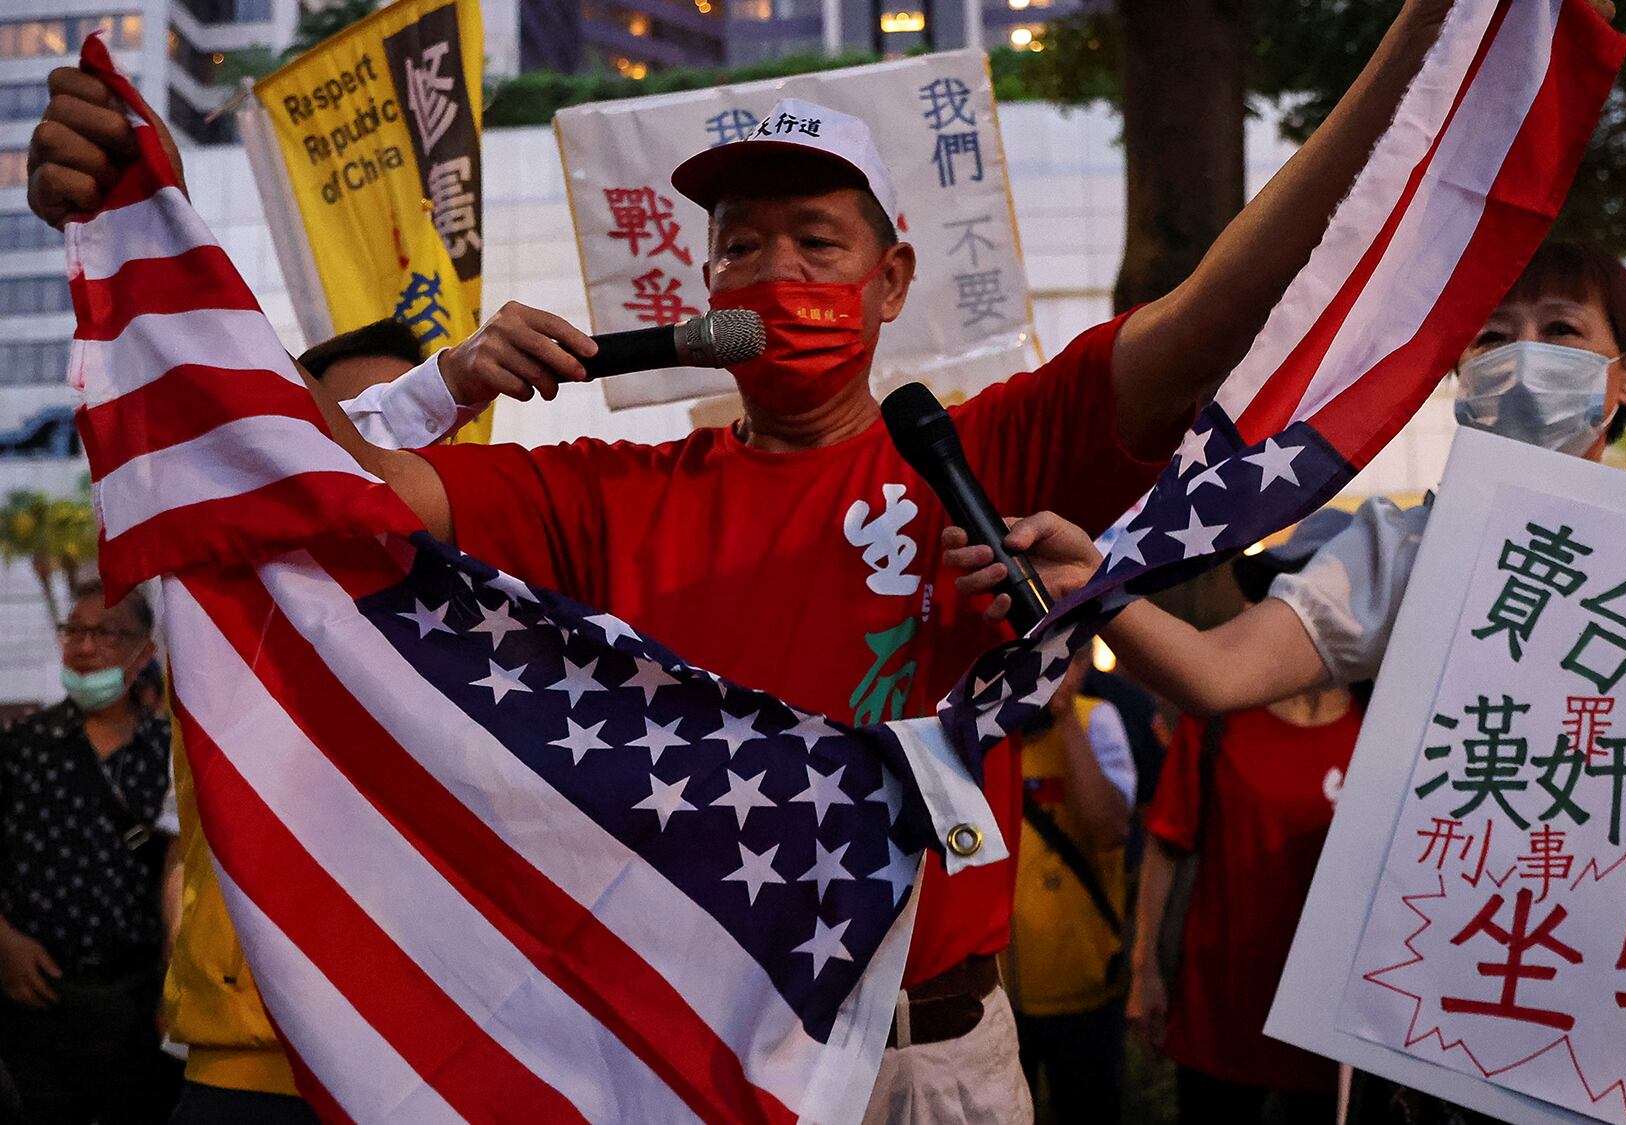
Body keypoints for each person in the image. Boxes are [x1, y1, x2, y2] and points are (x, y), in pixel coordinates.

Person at [29, 2, 1501, 1115]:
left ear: (894, 277)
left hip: (945, 1057)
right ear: (700, 285)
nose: (779, 279)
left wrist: (1424, 50)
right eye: (742, 247)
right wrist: (441, 386)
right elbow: (305, 493)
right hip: (706, 1061)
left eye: (817, 242)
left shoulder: (987, 449)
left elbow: (1217, 307)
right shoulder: (603, 494)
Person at [944, 238, 1626, 982]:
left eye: (1559, 331)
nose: (1520, 357)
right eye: (1490, 337)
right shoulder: (1408, 545)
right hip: (1472, 995)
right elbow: (1215, 675)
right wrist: (1098, 585)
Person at [160, 319, 487, 1124]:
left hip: (447, 1065)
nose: (365, 464)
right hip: (256, 1069)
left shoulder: (496, 606)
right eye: (344, 423)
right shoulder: (229, 579)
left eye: (402, 436)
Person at [1123, 548, 1364, 1122]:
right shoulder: (1217, 713)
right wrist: (1145, 973)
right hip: (1220, 1013)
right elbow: (1165, 846)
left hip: (1332, 1026)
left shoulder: (1381, 722)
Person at [0, 582, 180, 1123]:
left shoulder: (170, 754)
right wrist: (3, 941)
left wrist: (171, 987)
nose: (83, 646)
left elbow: (182, 871)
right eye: (72, 630)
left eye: (103, 632)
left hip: (136, 1002)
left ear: (143, 652)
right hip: (33, 1002)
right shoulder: (20, 747)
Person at [1007, 661, 1136, 1124]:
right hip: (1002, 997)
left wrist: (1064, 717)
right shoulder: (991, 735)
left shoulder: (1094, 719)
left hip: (1084, 988)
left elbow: (1111, 827)